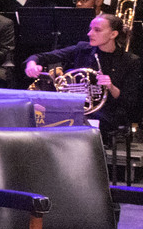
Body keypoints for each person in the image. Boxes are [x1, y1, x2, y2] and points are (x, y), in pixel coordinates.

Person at [24, 13, 141, 141]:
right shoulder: (83, 49)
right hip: (75, 108)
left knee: (80, 122)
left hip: (109, 112)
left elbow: (131, 102)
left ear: (113, 34)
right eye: (90, 29)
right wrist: (32, 64)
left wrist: (111, 87)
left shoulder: (130, 61)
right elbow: (42, 56)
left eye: (97, 30)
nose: (90, 34)